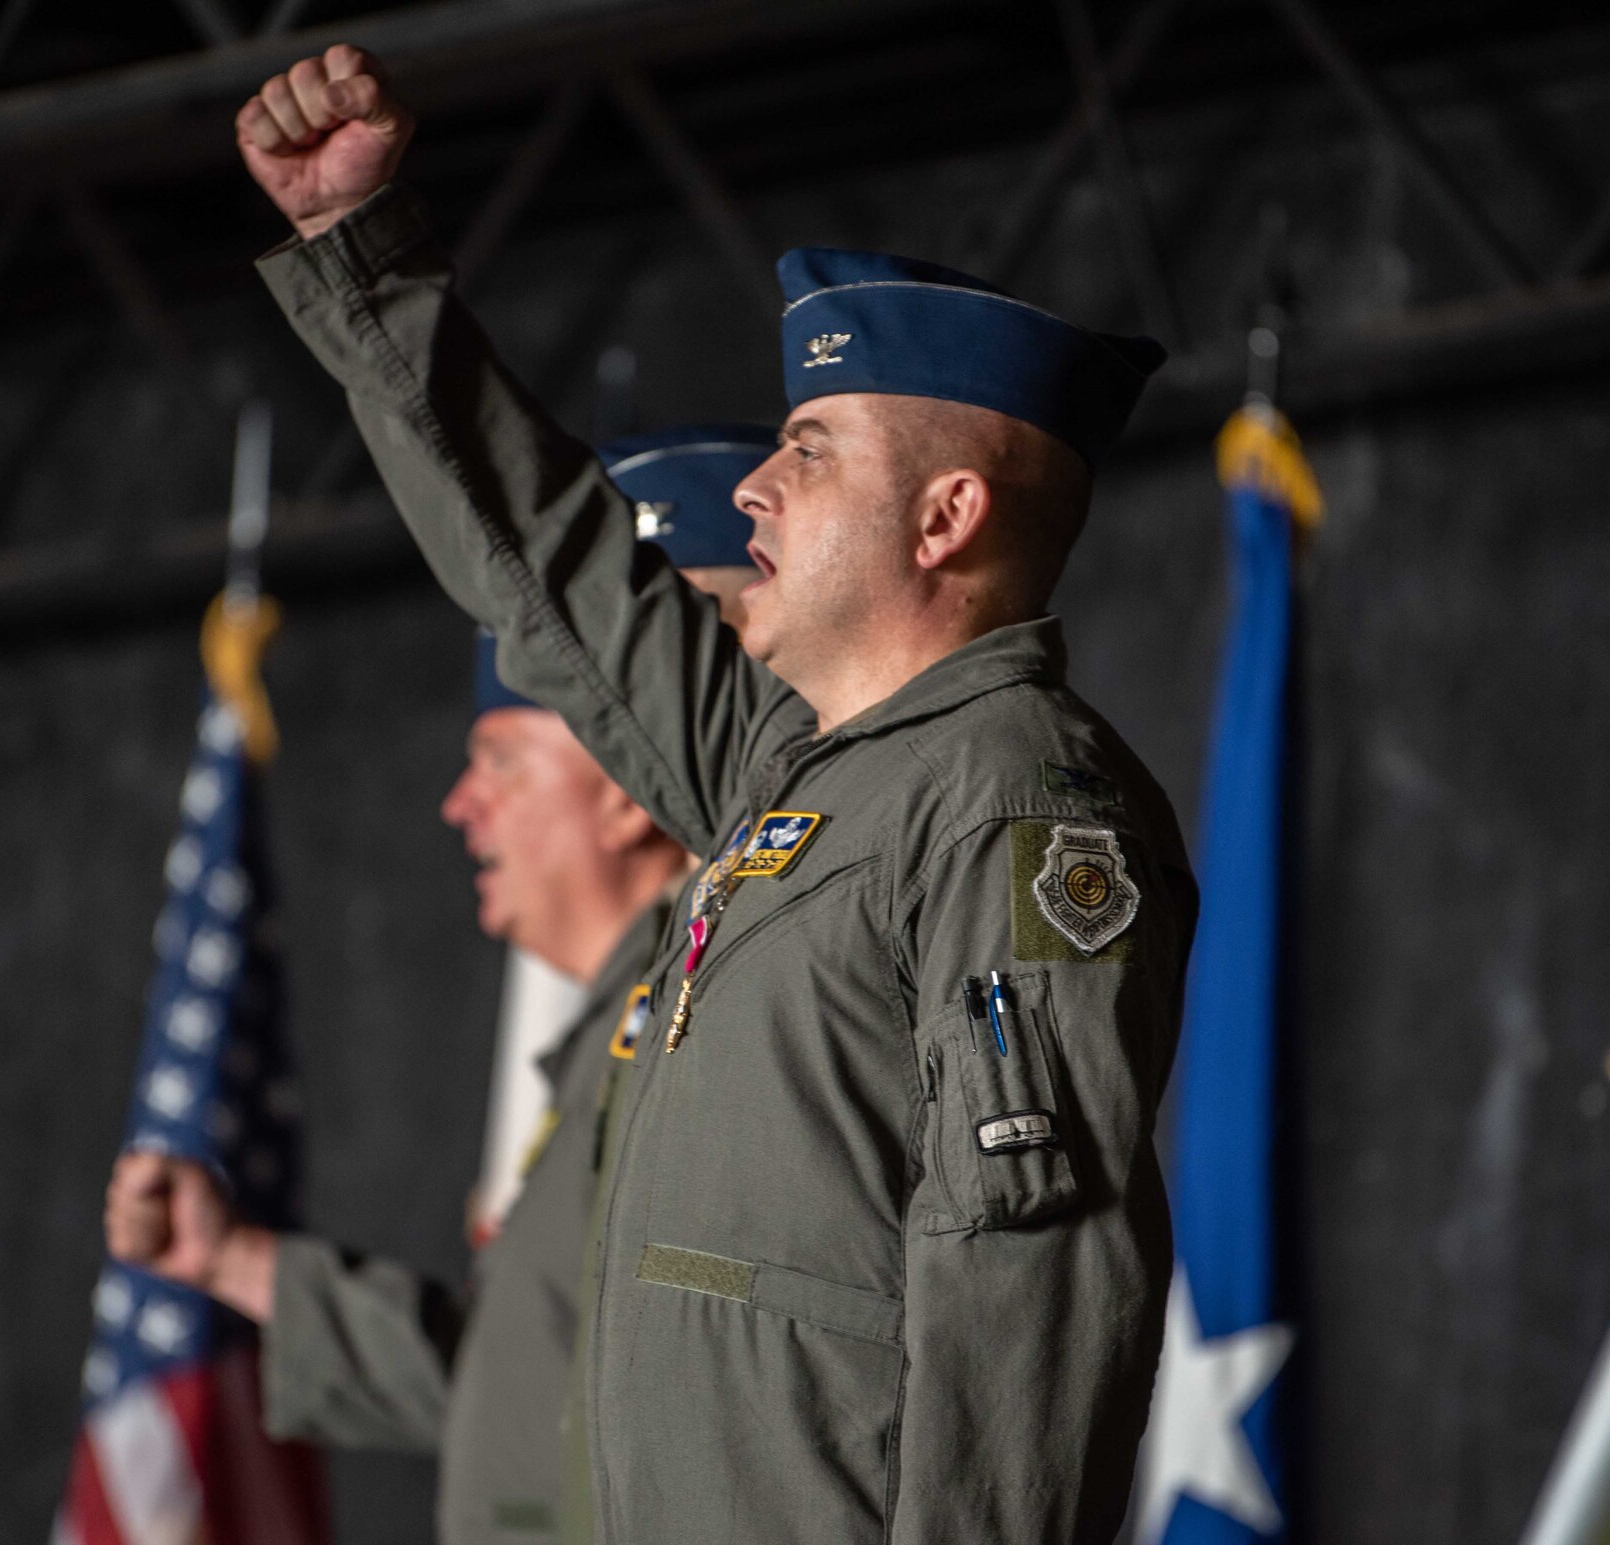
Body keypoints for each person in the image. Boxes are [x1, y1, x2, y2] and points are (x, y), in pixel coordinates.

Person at [231, 44, 1201, 1545]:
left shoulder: (1013, 799)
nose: (755, 487)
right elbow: (553, 570)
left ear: (947, 515)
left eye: (808, 452)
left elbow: (1031, 1289)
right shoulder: (782, 769)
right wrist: (361, 254)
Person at [104, 426, 769, 1545]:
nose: (460, 807)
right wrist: (231, 1261)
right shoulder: (626, 1023)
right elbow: (542, 1386)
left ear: (623, 779)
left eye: (500, 762)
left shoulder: (727, 1016)